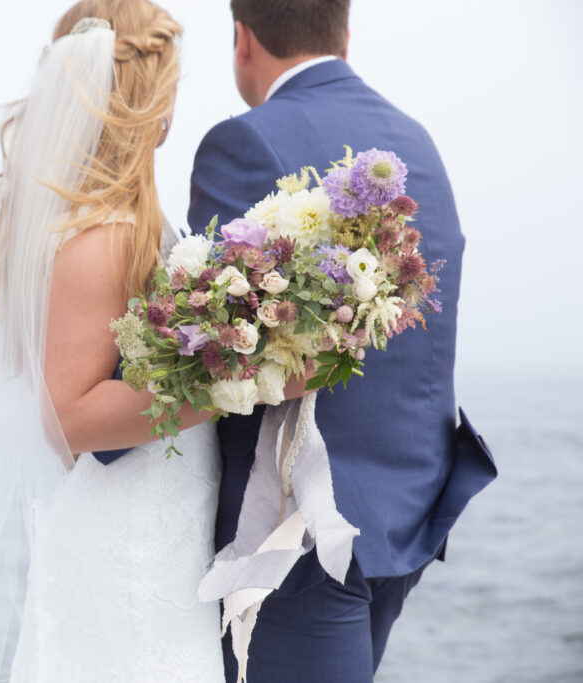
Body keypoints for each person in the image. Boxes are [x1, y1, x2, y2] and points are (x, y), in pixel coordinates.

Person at [0, 2, 309, 681]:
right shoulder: (100, 235)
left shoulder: (112, 220)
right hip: (129, 548)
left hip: (160, 533)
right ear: (149, 98)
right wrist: (249, 376)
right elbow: (71, 418)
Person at [185, 1, 498, 681]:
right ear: (344, 31)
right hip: (409, 516)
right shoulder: (416, 145)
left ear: (242, 40)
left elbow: (214, 347)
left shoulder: (243, 142)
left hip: (298, 538)